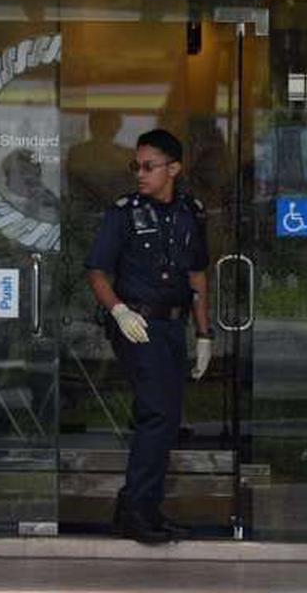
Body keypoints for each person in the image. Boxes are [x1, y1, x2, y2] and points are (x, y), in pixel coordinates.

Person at [84, 128, 212, 544]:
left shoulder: (192, 212)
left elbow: (197, 276)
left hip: (173, 325)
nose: (140, 173)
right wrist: (118, 310)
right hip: (136, 324)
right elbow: (97, 271)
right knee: (158, 415)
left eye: (148, 166)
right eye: (135, 166)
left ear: (173, 168)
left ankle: (139, 507)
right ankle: (138, 511)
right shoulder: (123, 212)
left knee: (166, 418)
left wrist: (205, 333)